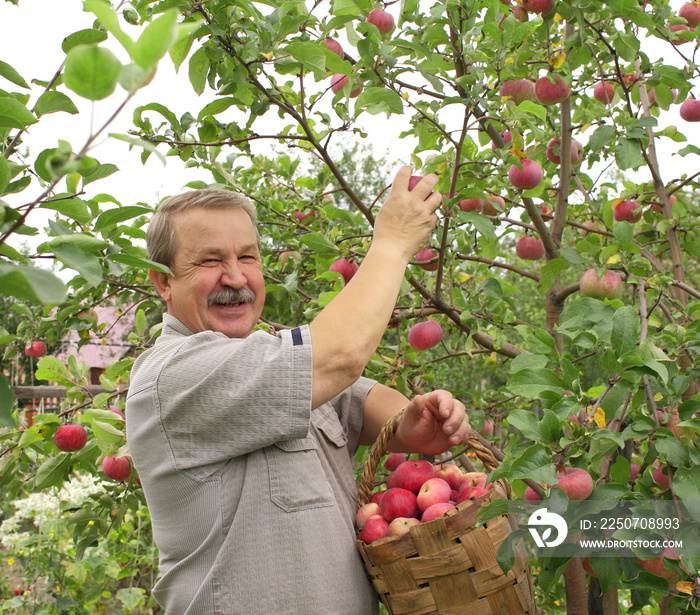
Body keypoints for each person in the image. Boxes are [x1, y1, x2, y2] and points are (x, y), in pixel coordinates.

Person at [125, 166, 471, 615]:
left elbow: (356, 397)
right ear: (163, 282)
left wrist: (411, 421)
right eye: (210, 261)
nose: (235, 277)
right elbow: (339, 356)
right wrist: (391, 244)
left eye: (247, 258)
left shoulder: (268, 352)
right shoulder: (173, 374)